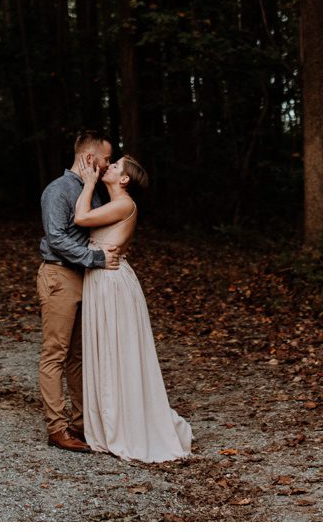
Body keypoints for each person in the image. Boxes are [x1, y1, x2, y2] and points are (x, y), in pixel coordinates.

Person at [72, 154, 192, 462]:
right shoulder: (114, 202)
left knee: (117, 350)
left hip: (111, 282)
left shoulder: (124, 204)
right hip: (101, 278)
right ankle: (110, 422)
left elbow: (81, 219)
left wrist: (88, 182)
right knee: (106, 348)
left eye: (115, 166)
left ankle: (124, 424)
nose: (109, 167)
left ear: (124, 179)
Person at [37, 130, 120, 451]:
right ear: (88, 158)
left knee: (79, 355)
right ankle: (57, 428)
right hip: (60, 275)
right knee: (55, 353)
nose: (108, 164)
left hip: (86, 278)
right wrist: (97, 258)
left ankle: (82, 423)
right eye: (106, 159)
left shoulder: (93, 191)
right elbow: (56, 238)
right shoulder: (57, 190)